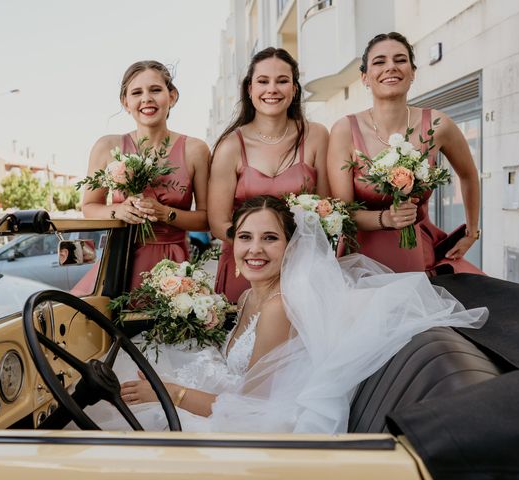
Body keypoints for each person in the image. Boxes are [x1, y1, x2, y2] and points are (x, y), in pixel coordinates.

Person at [80, 195, 487, 433]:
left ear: (291, 248)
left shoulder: (278, 307)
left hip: (257, 426)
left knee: (108, 422)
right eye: (245, 237)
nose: (254, 249)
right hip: (230, 395)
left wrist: (171, 393)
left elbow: (248, 411)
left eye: (270, 238)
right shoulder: (248, 298)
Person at [327, 32, 482, 274]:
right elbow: (343, 211)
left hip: (421, 254)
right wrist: (386, 219)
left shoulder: (438, 125)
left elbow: (469, 174)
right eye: (379, 62)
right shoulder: (344, 130)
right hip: (362, 260)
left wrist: (472, 232)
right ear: (365, 77)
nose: (391, 67)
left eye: (400, 60)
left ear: (412, 72)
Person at [208, 47, 330, 303]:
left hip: (302, 268)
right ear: (250, 89)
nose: (272, 89)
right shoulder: (230, 146)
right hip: (246, 266)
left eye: (282, 81)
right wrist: (259, 250)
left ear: (294, 89)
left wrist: (288, 250)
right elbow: (218, 223)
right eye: (263, 81)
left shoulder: (317, 136)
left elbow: (327, 208)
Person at [79, 60, 209, 291]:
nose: (146, 99)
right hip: (121, 262)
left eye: (155, 90)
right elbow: (89, 207)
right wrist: (118, 210)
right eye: (137, 92)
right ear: (125, 102)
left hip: (173, 267)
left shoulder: (195, 149)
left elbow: (206, 219)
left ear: (173, 96)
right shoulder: (107, 146)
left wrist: (165, 213)